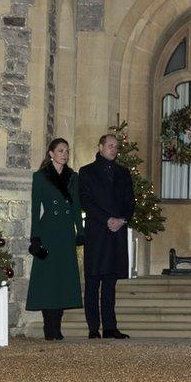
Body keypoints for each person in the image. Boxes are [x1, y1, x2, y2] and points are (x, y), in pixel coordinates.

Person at [26, 138, 85, 341]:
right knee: (47, 279)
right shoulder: (40, 177)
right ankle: (48, 326)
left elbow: (76, 206)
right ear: (51, 153)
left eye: (67, 151)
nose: (64, 154)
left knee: (62, 278)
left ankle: (57, 327)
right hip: (48, 230)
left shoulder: (72, 177)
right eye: (60, 151)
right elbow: (35, 209)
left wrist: (80, 230)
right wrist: (34, 237)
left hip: (66, 232)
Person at [79, 134, 134, 339]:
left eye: (116, 147)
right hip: (97, 232)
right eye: (110, 146)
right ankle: (93, 327)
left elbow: (130, 201)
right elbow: (85, 200)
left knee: (110, 283)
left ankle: (110, 327)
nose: (113, 149)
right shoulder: (86, 172)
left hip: (116, 233)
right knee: (93, 281)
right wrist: (106, 219)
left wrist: (122, 219)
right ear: (100, 147)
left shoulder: (123, 173)